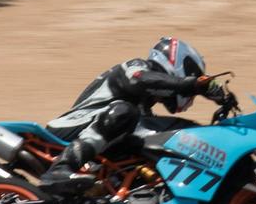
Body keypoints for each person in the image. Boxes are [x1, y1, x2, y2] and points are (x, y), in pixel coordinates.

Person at [38, 37, 233, 195]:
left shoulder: (143, 106)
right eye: (191, 74)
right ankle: (59, 170)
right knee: (124, 112)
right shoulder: (136, 66)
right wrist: (191, 84)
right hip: (70, 128)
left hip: (97, 138)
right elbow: (141, 80)